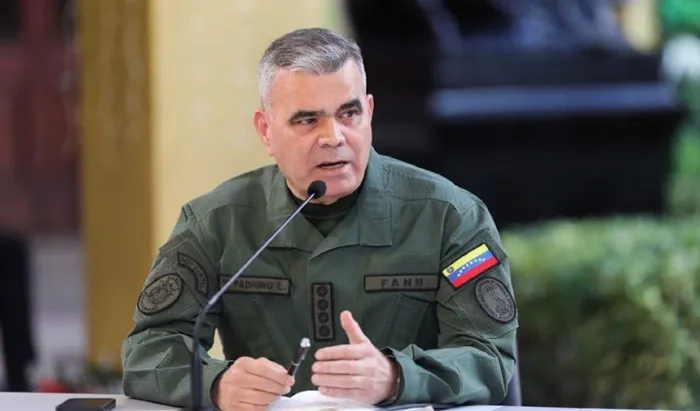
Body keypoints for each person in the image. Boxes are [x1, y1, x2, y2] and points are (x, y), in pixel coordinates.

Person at [121, 27, 518, 411]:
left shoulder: (449, 216)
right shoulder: (215, 222)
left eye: (349, 113)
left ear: (369, 113)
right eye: (307, 120)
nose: (333, 137)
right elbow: (149, 348)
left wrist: (396, 377)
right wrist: (217, 383)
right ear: (265, 131)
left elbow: (489, 357)